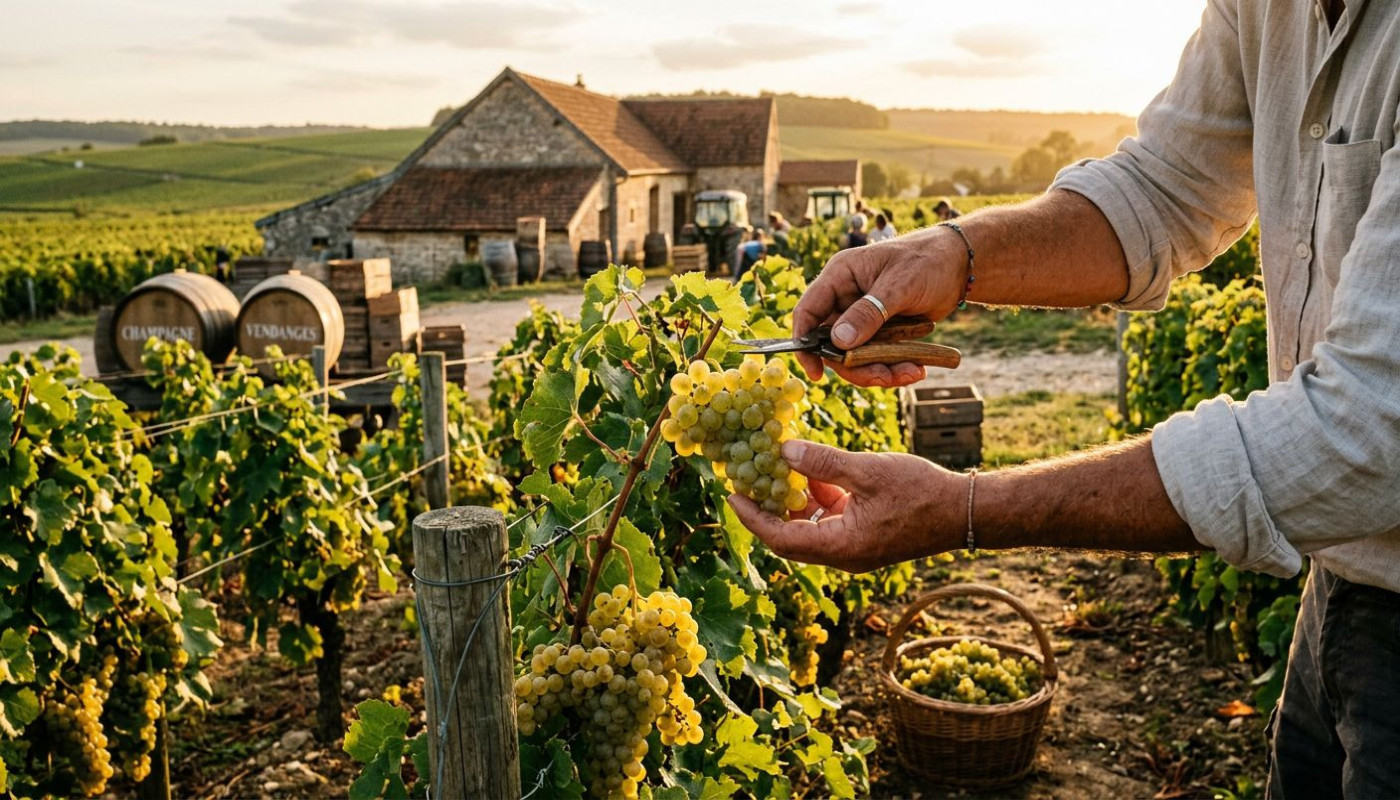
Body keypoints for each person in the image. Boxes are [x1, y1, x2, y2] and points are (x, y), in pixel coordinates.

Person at [728, 1, 1400, 796]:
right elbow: (1165, 188)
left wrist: (966, 510)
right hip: (1343, 583)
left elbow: (1365, 429)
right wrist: (955, 252)